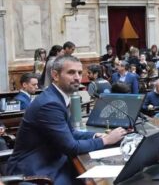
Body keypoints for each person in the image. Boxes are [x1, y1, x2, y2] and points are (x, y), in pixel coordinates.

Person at [6, 55, 126, 184]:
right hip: (34, 170)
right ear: (55, 75)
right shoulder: (50, 104)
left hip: (51, 159)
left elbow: (70, 133)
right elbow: (71, 147)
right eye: (71, 72)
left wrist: (96, 135)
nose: (77, 77)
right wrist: (105, 140)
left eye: (80, 73)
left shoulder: (57, 96)